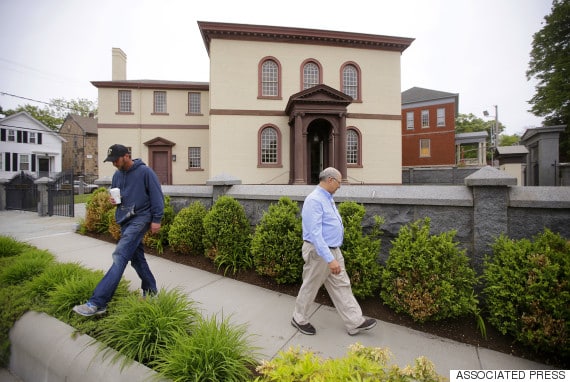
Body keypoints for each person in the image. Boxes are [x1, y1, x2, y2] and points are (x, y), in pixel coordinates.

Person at [73, 144, 164, 316]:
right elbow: (118, 198)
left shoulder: (145, 172)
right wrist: (114, 201)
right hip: (125, 220)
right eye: (111, 160)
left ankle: (97, 303)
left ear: (127, 156)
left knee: (119, 256)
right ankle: (151, 292)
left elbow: (157, 196)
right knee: (137, 260)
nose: (114, 163)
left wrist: (156, 220)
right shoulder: (117, 175)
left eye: (116, 159)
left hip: (141, 217)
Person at [292, 167, 376, 336]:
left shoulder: (327, 198)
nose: (340, 186)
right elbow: (315, 233)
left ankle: (354, 322)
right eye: (339, 182)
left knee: (342, 285)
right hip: (319, 253)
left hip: (332, 250)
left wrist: (333, 255)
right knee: (311, 285)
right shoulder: (314, 200)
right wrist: (330, 259)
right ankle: (299, 318)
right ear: (330, 180)